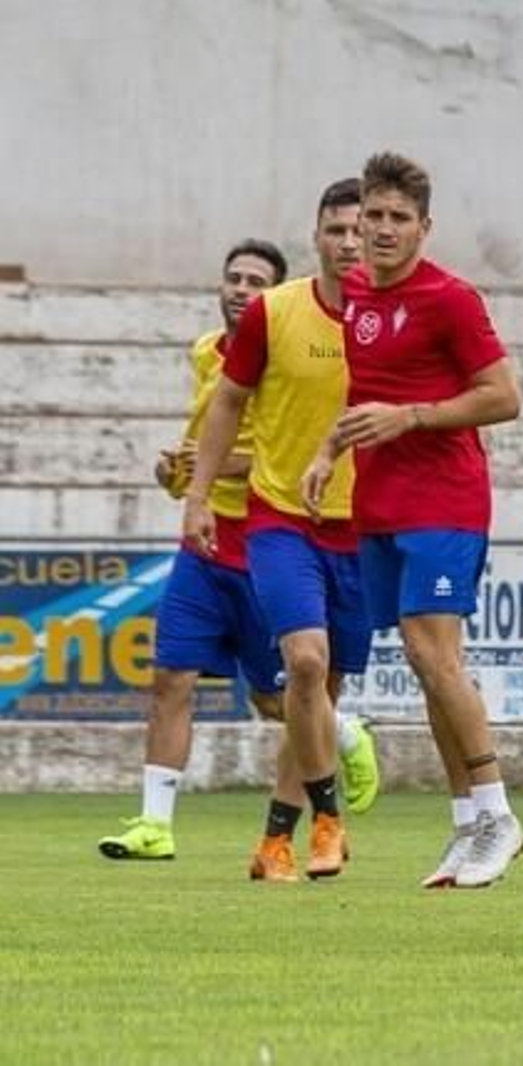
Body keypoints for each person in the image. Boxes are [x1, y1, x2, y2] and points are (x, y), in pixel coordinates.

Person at [302, 151, 523, 889]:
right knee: (426, 672)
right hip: (378, 508)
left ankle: (498, 815)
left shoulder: (451, 299)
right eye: (375, 216)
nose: (384, 229)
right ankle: (465, 827)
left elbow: (503, 397)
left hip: (446, 501)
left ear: (425, 227)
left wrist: (413, 418)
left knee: (436, 657)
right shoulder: (358, 291)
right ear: (357, 220)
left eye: (401, 218)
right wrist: (328, 452)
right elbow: (368, 395)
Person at [184, 179, 380, 882]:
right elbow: (229, 401)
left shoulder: (396, 316)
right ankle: (329, 819)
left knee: (321, 698)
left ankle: (276, 840)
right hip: (281, 516)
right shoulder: (276, 313)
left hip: (363, 527)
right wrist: (199, 495)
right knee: (304, 663)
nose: (350, 242)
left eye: (361, 230)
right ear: (317, 236)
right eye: (337, 230)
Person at [98, 239, 301, 863]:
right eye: (233, 278)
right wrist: (179, 474)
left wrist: (219, 464)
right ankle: (155, 825)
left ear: (275, 298)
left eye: (256, 282)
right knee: (169, 677)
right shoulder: (204, 353)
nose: (241, 289)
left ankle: (343, 735)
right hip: (204, 548)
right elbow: (199, 453)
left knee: (272, 700)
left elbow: (284, 455)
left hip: (264, 546)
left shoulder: (286, 363)